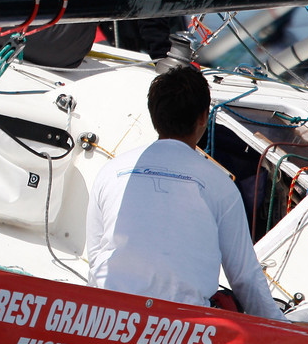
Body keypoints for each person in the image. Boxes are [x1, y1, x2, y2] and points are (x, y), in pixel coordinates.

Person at [85, 66, 286, 319]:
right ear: (203, 117)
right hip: (180, 327)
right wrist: (283, 326)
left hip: (107, 314)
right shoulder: (221, 185)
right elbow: (244, 277)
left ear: (153, 115)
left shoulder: (110, 171)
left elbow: (95, 256)